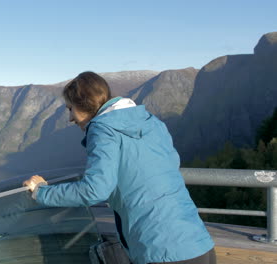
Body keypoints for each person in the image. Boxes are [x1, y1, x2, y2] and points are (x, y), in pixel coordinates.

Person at [23, 71, 216, 264]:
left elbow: (94, 190)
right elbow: (172, 162)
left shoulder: (102, 130)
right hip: (199, 243)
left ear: (83, 105)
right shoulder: (151, 122)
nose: (70, 118)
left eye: (70, 108)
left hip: (161, 249)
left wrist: (41, 192)